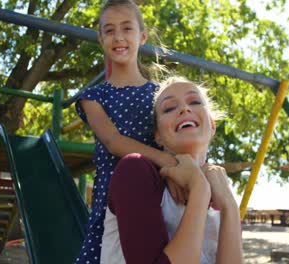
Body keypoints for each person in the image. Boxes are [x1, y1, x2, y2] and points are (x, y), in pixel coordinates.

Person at [74, 0, 183, 263]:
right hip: (111, 199)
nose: (118, 37)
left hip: (154, 196)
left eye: (127, 28)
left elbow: (176, 140)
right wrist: (166, 160)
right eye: (109, 30)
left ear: (142, 36)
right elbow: (113, 141)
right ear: (101, 40)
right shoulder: (94, 96)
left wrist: (180, 168)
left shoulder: (160, 95)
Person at [101, 76, 244, 263]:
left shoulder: (221, 189)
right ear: (158, 136)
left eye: (194, 102)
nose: (185, 109)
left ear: (212, 125)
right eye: (169, 108)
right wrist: (199, 188)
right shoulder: (134, 172)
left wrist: (230, 207)